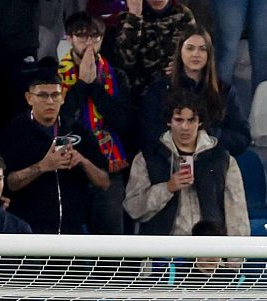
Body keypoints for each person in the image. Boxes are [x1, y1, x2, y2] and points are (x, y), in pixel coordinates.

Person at [0, 69, 108, 235]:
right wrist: (43, 166)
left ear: (62, 97)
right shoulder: (14, 132)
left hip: (74, 229)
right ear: (29, 98)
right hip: (30, 230)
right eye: (42, 95)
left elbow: (104, 182)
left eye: (55, 95)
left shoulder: (77, 130)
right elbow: (10, 183)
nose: (50, 101)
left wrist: (83, 161)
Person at [125, 93, 249, 236]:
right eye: (179, 120)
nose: (185, 127)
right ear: (169, 121)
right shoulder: (147, 158)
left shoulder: (223, 160)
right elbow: (133, 208)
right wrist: (167, 188)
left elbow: (237, 214)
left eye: (191, 120)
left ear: (200, 122)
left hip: (208, 251)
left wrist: (235, 257)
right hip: (163, 252)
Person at [60, 10, 134, 235]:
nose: (89, 42)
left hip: (108, 164)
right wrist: (81, 83)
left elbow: (123, 121)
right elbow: (61, 118)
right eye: (82, 36)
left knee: (111, 242)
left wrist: (94, 86)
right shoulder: (55, 75)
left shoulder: (117, 76)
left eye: (95, 36)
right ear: (70, 38)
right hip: (69, 165)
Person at [139, 27, 251, 158]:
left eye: (202, 49)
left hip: (212, 163)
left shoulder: (224, 91)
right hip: (168, 164)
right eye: (190, 48)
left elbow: (242, 136)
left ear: (209, 54)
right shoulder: (160, 89)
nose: (196, 54)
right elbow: (147, 133)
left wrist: (208, 136)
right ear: (180, 52)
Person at [114, 0, 199, 95]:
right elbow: (124, 61)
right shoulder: (126, 15)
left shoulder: (183, 15)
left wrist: (183, 65)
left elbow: (196, 53)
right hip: (140, 94)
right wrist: (135, 16)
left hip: (176, 90)